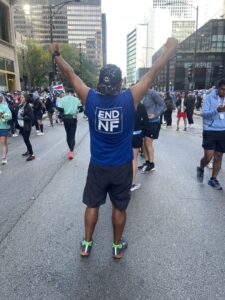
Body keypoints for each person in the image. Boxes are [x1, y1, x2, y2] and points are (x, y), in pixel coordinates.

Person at [48, 37, 178, 259]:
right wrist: (168, 50)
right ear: (120, 83)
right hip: (121, 166)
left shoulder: (90, 98)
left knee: (92, 205)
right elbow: (152, 73)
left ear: (100, 81)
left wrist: (56, 54)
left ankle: (87, 244)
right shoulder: (130, 98)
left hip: (98, 165)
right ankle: (117, 247)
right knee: (119, 208)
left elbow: (71, 75)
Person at [197, 78, 225, 190]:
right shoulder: (209, 97)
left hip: (223, 131)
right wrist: (217, 110)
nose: (224, 92)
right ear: (218, 88)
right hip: (210, 130)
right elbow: (203, 114)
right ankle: (201, 167)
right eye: (223, 89)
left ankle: (213, 179)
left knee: (219, 156)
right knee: (208, 156)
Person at [139, 90, 166, 173]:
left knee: (148, 142)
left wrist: (155, 114)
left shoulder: (152, 93)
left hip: (153, 122)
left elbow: (163, 105)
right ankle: (147, 163)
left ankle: (151, 164)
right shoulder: (140, 93)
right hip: (143, 122)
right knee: (144, 143)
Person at [57, 89, 82, 159]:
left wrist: (64, 111)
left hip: (66, 119)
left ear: (67, 93)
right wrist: (76, 111)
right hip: (73, 119)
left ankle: (70, 149)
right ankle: (71, 151)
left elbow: (59, 108)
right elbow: (81, 109)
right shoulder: (76, 99)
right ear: (73, 93)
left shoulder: (62, 99)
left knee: (68, 134)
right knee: (72, 135)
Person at [131, 103, 148, 191]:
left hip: (124, 136)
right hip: (136, 134)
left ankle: (120, 182)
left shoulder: (123, 103)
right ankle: (132, 184)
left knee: (122, 159)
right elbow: (146, 122)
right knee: (133, 159)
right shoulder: (141, 106)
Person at [17, 94, 35, 161]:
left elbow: (31, 117)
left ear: (26, 99)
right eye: (20, 97)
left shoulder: (28, 107)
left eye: (22, 97)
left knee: (26, 140)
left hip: (26, 126)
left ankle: (32, 154)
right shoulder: (21, 105)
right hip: (21, 126)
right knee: (25, 139)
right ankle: (28, 151)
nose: (21, 98)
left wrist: (23, 117)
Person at [0, 93, 12, 165]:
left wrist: (1, 115)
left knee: (3, 143)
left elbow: (9, 116)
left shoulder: (4, 107)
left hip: (3, 127)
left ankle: (4, 158)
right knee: (3, 143)